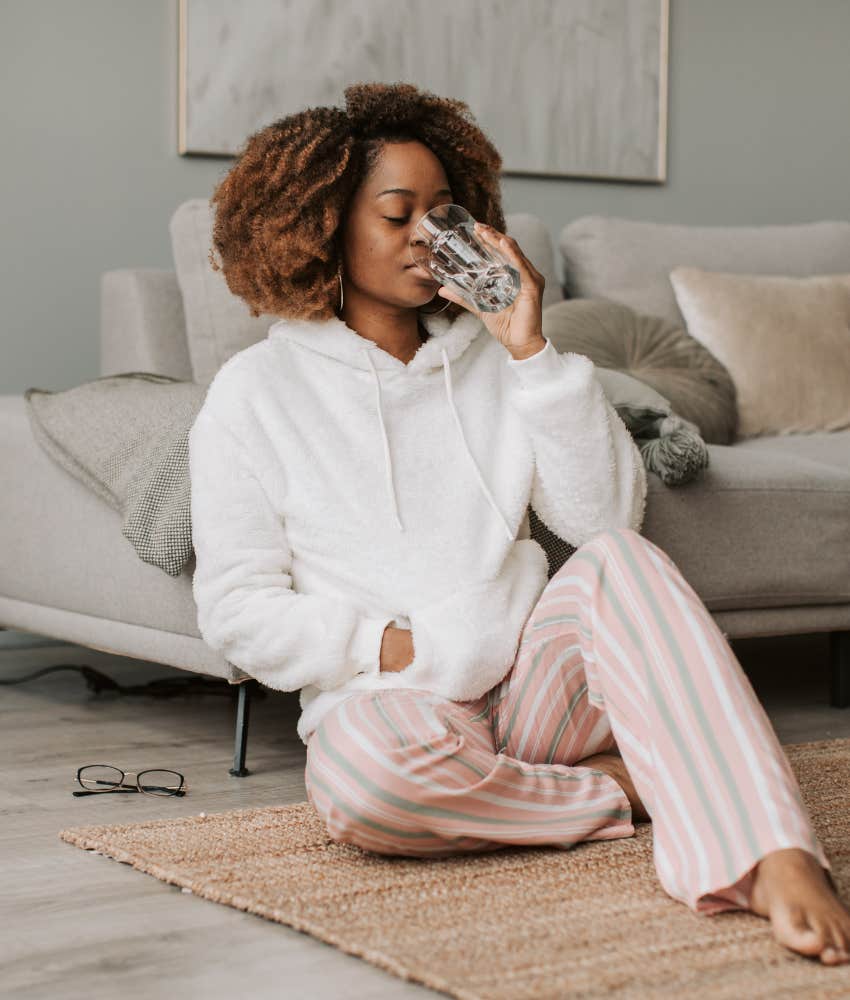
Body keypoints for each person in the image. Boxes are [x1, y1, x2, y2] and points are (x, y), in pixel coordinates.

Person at [189, 82, 850, 965]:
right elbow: (236, 607)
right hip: (397, 701)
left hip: (534, 686)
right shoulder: (254, 395)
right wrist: (394, 646)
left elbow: (606, 517)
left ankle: (771, 851)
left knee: (621, 559)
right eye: (398, 214)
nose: (430, 236)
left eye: (443, 211)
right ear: (323, 226)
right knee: (361, 787)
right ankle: (620, 790)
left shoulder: (502, 361)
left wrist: (531, 349)